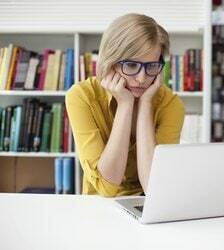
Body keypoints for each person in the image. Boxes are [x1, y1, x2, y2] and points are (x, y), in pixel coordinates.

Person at [66, 13, 185, 197]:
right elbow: (107, 187)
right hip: (98, 208)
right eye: (131, 65)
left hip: (148, 207)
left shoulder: (170, 105)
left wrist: (145, 103)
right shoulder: (82, 97)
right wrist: (125, 105)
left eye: (152, 66)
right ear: (110, 62)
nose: (141, 79)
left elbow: (153, 187)